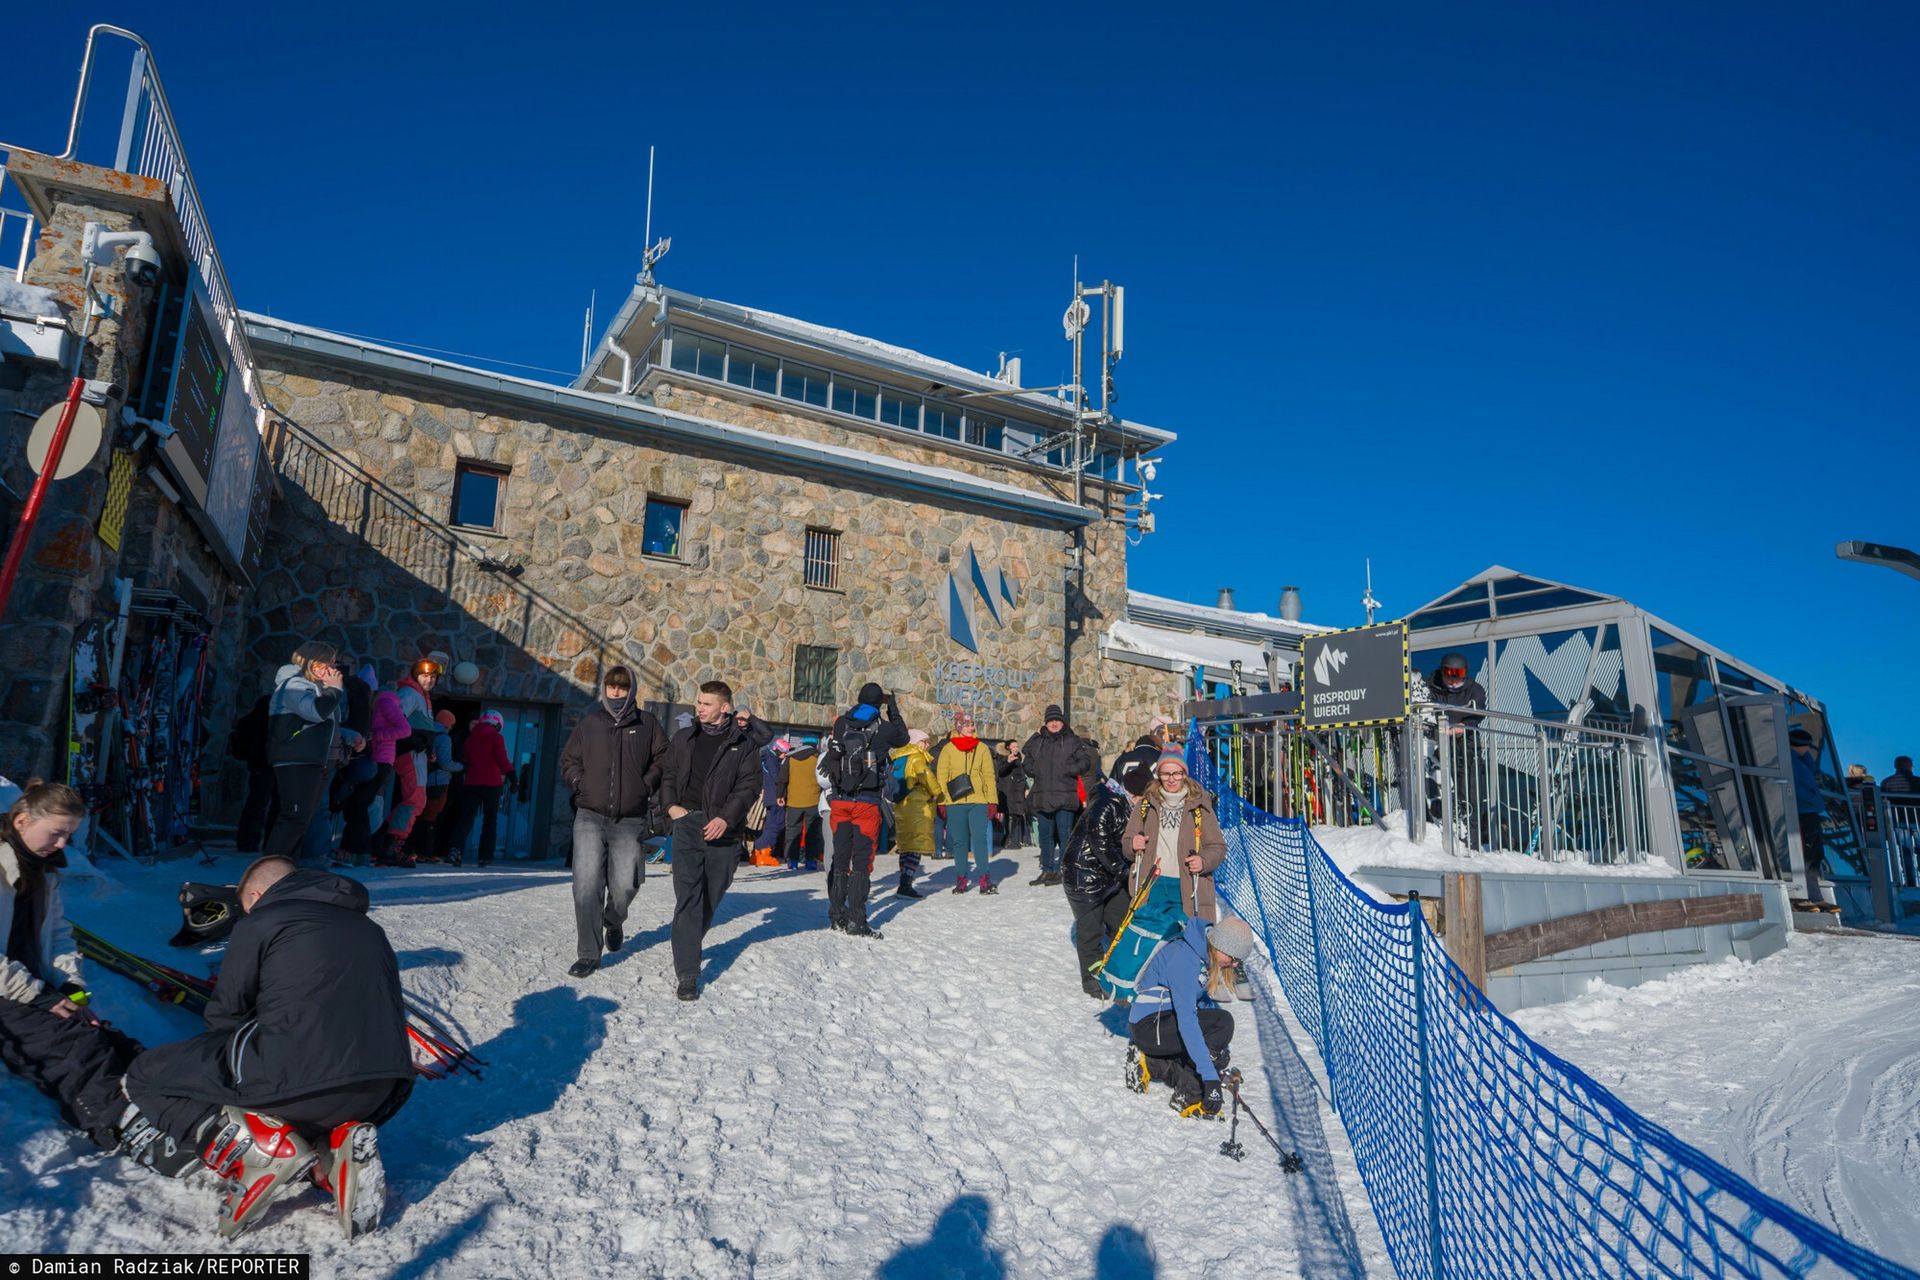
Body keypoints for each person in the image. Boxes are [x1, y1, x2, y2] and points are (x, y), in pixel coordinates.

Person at [122, 855, 412, 1240]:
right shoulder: (369, 927)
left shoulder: (262, 920)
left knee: (146, 1074)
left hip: (300, 1083)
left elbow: (226, 1015)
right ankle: (330, 1155)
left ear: (256, 896)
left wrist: (216, 1079)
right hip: (383, 1090)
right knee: (290, 1074)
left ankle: (253, 1149)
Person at [0, 782, 145, 1155]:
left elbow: (61, 936)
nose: (63, 844)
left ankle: (160, 1096)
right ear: (20, 822)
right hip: (8, 993)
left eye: (70, 835)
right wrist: (41, 996)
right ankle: (118, 1123)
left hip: (28, 985)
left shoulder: (44, 872)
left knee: (106, 1037)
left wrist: (70, 988)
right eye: (57, 833)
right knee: (75, 1048)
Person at [659, 681, 770, 999]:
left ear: (725, 707)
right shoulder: (683, 738)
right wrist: (671, 807)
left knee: (711, 895)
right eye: (698, 702)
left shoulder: (743, 743)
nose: (700, 708)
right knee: (689, 898)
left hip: (725, 829)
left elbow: (749, 785)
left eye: (707, 703)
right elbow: (668, 775)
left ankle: (687, 940)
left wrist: (725, 818)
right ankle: (688, 974)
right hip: (687, 824)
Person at [559, 665, 668, 978]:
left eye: (622, 688)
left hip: (630, 818)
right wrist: (580, 782)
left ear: (631, 690)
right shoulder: (590, 723)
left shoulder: (647, 724)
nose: (616, 693)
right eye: (611, 687)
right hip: (590, 815)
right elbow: (569, 760)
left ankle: (614, 920)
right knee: (586, 885)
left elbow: (664, 758)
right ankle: (589, 955)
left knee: (625, 885)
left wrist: (645, 785)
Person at [1125, 915, 1258, 1118]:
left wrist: (1217, 1053)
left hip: (1162, 1022)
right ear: (1222, 946)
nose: (1234, 965)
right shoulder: (1185, 959)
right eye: (1233, 958)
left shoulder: (1204, 954)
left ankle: (1153, 1063)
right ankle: (1191, 1093)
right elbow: (1188, 1020)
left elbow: (1202, 1004)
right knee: (1222, 1026)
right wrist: (1210, 1079)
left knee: (1216, 1045)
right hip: (1149, 1025)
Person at [1065, 744, 1158, 997]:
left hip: (1108, 878)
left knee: (1121, 922)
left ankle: (1121, 970)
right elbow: (1101, 843)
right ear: (1134, 793)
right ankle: (1093, 981)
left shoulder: (1127, 807)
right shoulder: (1106, 804)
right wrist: (1125, 872)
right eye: (1144, 797)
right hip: (1084, 876)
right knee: (1090, 931)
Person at [822, 683, 910, 937]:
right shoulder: (883, 728)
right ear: (879, 703)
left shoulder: (841, 723)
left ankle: (836, 915)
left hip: (840, 800)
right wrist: (893, 709)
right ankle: (857, 920)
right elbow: (903, 737)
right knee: (861, 862)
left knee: (840, 859)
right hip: (867, 803)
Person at [1121, 746, 1228, 924]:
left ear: (1184, 774)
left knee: (1187, 943)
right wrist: (1133, 844)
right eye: (1165, 774)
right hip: (1152, 885)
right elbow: (1126, 843)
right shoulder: (1145, 805)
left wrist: (1203, 861)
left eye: (1176, 773)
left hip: (1188, 887)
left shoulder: (1199, 805)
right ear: (1159, 774)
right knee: (1153, 942)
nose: (1171, 779)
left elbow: (1218, 847)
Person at [263, 642, 345, 860]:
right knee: (294, 817)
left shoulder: (315, 687)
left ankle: (285, 867)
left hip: (313, 760)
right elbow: (315, 712)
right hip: (296, 759)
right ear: (316, 664)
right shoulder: (294, 684)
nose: (335, 668)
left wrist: (349, 737)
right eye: (330, 662)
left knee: (303, 819)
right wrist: (335, 689)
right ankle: (269, 871)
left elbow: (325, 722)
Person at [1022, 705, 1096, 887]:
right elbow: (1027, 760)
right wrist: (1033, 769)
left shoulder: (1072, 740)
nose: (1054, 724)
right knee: (1045, 837)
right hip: (1042, 795)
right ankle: (1048, 870)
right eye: (1050, 721)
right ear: (1046, 723)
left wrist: (1070, 770)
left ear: (1062, 722)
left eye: (1057, 720)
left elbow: (1085, 762)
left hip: (1065, 796)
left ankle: (1065, 871)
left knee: (1065, 836)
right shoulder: (1039, 742)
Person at [378, 659, 442, 865]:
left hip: (419, 754)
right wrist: (413, 740)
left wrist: (428, 749)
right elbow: (395, 717)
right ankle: (391, 848)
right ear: (416, 676)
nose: (429, 680)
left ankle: (381, 841)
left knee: (415, 800)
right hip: (410, 754)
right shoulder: (410, 693)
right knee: (415, 799)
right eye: (425, 676)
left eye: (433, 677)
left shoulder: (423, 697)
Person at [1425, 653, 1488, 847]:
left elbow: (1479, 713)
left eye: (1458, 674)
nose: (1453, 680)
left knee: (1469, 789)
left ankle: (1471, 840)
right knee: (1438, 785)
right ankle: (1437, 833)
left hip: (1466, 744)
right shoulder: (1432, 687)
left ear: (1465, 674)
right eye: (1449, 674)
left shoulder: (1474, 690)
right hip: (1438, 744)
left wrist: (1463, 725)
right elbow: (1426, 709)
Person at [938, 711, 1000, 894]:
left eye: (972, 724)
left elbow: (989, 776)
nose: (971, 727)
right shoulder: (948, 749)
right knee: (959, 842)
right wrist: (941, 801)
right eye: (966, 724)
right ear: (958, 727)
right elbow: (942, 776)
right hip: (955, 802)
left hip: (978, 800)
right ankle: (962, 880)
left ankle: (984, 880)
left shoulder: (981, 748)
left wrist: (992, 801)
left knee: (980, 840)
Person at [453, 712, 514, 865]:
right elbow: (502, 759)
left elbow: (466, 758)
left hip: (472, 782)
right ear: (498, 724)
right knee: (490, 820)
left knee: (465, 818)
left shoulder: (470, 739)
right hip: (492, 783)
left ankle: (455, 849)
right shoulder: (497, 738)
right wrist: (513, 776)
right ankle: (485, 856)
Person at [890, 729, 941, 899]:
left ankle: (903, 881)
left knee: (906, 846)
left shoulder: (899, 757)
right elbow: (926, 776)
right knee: (916, 846)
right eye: (924, 741)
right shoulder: (917, 757)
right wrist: (936, 792)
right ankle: (906, 885)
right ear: (915, 742)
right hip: (917, 806)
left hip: (902, 806)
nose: (927, 745)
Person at [1789, 727, 1833, 911]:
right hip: (1801, 812)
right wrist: (1813, 800)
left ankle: (1813, 895)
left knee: (1814, 854)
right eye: (1805, 745)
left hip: (1810, 811)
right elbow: (1797, 787)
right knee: (1804, 854)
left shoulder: (1801, 760)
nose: (1807, 749)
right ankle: (1801, 895)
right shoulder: (1791, 762)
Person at [408, 710, 462, 860]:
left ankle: (413, 849)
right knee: (431, 817)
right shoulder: (444, 738)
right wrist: (462, 766)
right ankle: (425, 852)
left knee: (421, 815)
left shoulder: (428, 732)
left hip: (424, 778)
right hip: (439, 781)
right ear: (448, 724)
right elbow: (446, 763)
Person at [228, 694, 275, 853]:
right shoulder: (272, 715)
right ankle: (265, 841)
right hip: (268, 761)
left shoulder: (254, 716)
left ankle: (249, 840)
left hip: (260, 762)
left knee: (257, 803)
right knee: (267, 804)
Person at [748, 728, 790, 869]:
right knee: (775, 825)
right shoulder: (772, 760)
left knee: (771, 825)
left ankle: (758, 852)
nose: (785, 756)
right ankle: (764, 852)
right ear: (777, 750)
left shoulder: (767, 758)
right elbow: (777, 778)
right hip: (775, 797)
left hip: (771, 796)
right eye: (784, 753)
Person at [781, 739, 823, 870]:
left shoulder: (791, 758)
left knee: (793, 831)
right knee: (812, 832)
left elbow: (783, 778)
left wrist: (780, 795)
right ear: (815, 745)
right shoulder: (818, 758)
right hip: (813, 800)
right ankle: (810, 861)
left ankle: (792, 861)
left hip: (794, 800)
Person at [996, 742, 1031, 851]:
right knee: (1010, 815)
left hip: (1018, 791)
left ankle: (1015, 839)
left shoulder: (1018, 759)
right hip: (1009, 791)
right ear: (1008, 748)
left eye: (1017, 746)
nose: (1016, 748)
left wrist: (1026, 787)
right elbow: (1000, 771)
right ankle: (1009, 840)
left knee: (1016, 815)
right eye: (1014, 746)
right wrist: (1008, 761)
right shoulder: (1004, 758)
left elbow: (1022, 775)